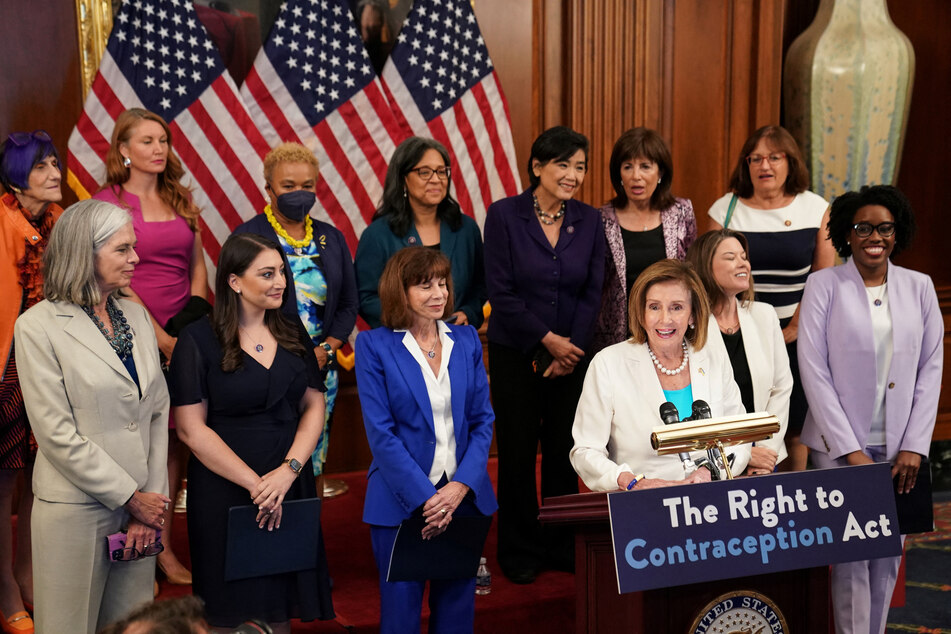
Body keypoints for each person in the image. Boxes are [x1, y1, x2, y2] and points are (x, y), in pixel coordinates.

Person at [14, 199, 170, 633]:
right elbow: (56, 434)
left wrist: (148, 502)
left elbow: (157, 412)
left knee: (132, 625)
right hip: (76, 510)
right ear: (85, 253)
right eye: (123, 249)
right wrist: (129, 496)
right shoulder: (37, 327)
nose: (135, 258)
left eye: (133, 247)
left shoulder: (137, 316)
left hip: (141, 509)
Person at [169, 233, 333, 632]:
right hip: (227, 488)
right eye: (267, 273)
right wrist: (257, 485)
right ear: (234, 281)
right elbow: (191, 430)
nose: (280, 281)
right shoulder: (198, 339)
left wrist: (288, 471)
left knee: (280, 606)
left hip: (288, 482)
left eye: (281, 271)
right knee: (228, 611)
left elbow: (314, 404)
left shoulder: (293, 328)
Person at [798, 185, 942, 634]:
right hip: (838, 450)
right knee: (850, 560)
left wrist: (915, 446)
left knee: (886, 559)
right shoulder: (824, 285)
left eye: (884, 227)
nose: (873, 236)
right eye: (862, 228)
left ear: (896, 233)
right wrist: (849, 451)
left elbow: (931, 368)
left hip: (901, 451)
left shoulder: (919, 287)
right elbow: (813, 370)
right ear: (847, 234)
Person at [483, 126, 605, 584]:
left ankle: (559, 544)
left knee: (562, 453)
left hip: (573, 356)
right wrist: (547, 341)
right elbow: (503, 292)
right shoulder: (503, 215)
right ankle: (518, 549)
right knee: (516, 454)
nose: (573, 175)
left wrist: (569, 348)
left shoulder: (590, 219)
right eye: (563, 164)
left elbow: (593, 290)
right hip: (517, 353)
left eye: (580, 166)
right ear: (537, 166)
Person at [354, 247, 496, 634]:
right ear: (399, 292)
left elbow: (483, 420)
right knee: (400, 619)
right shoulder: (373, 347)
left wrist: (460, 488)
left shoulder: (466, 339)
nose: (439, 293)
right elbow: (381, 435)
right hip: (400, 503)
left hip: (464, 499)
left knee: (456, 614)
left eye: (442, 283)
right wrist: (428, 498)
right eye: (424, 285)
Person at [94, 107, 209, 585]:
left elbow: (199, 265)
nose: (159, 149)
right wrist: (158, 337)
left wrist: (194, 319)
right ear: (123, 149)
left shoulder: (179, 197)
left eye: (163, 140)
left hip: (186, 332)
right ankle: (139, 545)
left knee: (179, 439)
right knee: (138, 439)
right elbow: (110, 274)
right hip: (128, 329)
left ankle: (162, 542)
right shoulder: (108, 202)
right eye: (147, 141)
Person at [707, 125, 835, 471]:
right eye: (756, 158)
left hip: (799, 330)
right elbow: (709, 274)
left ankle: (794, 498)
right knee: (741, 416)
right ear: (746, 165)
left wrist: (794, 326)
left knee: (793, 421)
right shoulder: (726, 210)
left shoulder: (815, 207)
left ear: (790, 162)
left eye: (774, 157)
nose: (765, 165)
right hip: (735, 328)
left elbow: (823, 279)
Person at [232, 142, 357, 488]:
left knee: (313, 457)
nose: (299, 193)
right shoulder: (248, 236)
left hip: (319, 367)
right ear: (268, 188)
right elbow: (235, 305)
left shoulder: (331, 238)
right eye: (288, 186)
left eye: (307, 186)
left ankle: (309, 532)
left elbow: (348, 303)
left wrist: (328, 349)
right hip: (264, 367)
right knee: (270, 462)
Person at [570, 259, 750, 492]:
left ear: (693, 315)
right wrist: (631, 481)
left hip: (710, 500)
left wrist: (709, 472)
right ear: (642, 313)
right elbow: (585, 451)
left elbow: (739, 439)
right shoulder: (608, 363)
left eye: (677, 307)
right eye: (654, 307)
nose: (665, 319)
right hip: (642, 503)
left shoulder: (714, 359)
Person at [0, 129, 64, 634]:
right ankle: (6, 587)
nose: (55, 174)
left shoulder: (61, 222)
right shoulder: (2, 221)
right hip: (7, 365)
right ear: (17, 177)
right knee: (4, 479)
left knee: (41, 476)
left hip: (51, 361)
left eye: (56, 164)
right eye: (42, 167)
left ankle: (28, 573)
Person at [687, 229, 793, 474]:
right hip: (710, 461)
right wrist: (742, 453)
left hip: (766, 455)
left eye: (744, 256)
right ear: (705, 265)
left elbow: (781, 388)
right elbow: (694, 405)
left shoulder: (764, 314)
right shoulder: (689, 324)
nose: (743, 262)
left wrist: (766, 450)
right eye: (730, 257)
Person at [355, 136, 486, 330]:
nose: (436, 179)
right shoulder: (377, 235)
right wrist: (412, 320)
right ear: (403, 179)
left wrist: (469, 311)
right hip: (401, 343)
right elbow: (366, 298)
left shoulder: (466, 228)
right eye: (424, 172)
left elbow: (481, 285)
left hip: (456, 338)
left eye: (442, 172)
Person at [593, 127, 696, 353]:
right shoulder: (602, 218)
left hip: (669, 329)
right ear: (618, 174)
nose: (635, 176)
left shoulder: (681, 211)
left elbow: (692, 273)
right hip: (617, 336)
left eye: (645, 166)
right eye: (627, 167)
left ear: (660, 173)